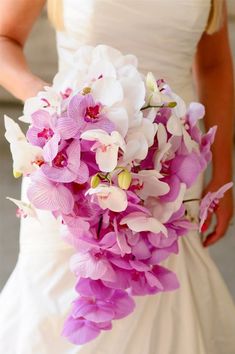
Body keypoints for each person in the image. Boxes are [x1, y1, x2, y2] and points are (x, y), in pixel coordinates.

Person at [0, 0, 235, 353]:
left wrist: (223, 172)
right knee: (57, 304)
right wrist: (48, 103)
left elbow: (215, 65)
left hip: (171, 172)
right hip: (73, 167)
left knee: (158, 312)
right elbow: (4, 37)